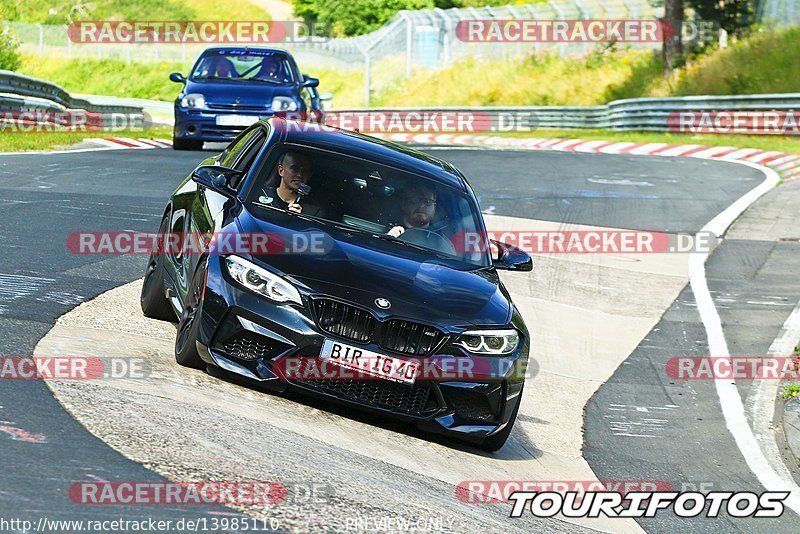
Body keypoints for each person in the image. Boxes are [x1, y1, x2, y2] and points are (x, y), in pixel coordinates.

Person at [257, 150, 324, 216]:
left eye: (305, 171)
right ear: (281, 171)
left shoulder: (313, 212)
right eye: (294, 169)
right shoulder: (261, 195)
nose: (300, 175)